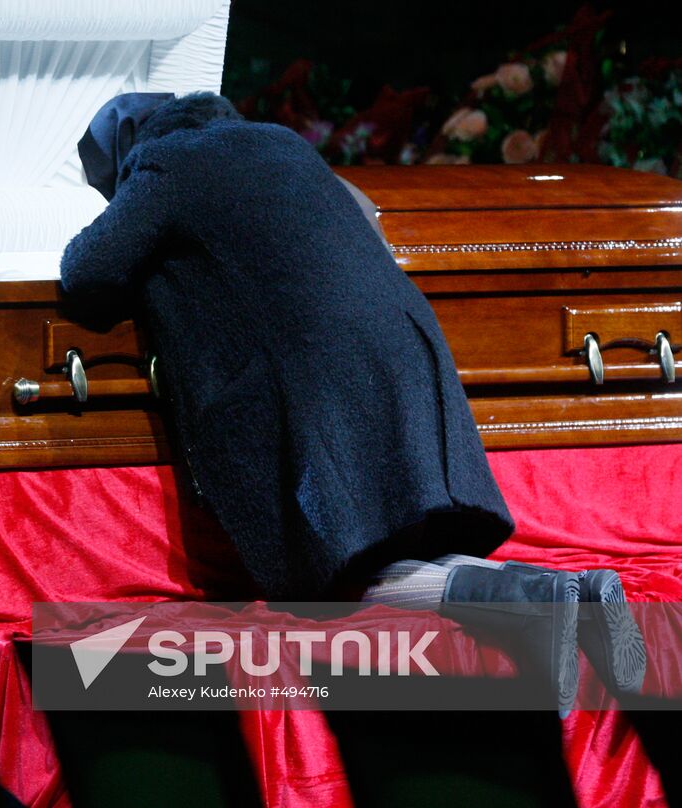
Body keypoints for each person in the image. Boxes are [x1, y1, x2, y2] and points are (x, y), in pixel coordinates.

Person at [61, 91, 646, 715]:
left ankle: (532, 606)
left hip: (320, 376)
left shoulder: (166, 165)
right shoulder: (279, 141)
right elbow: (365, 217)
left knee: (332, 580)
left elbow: (87, 270)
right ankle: (570, 594)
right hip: (402, 350)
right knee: (393, 543)